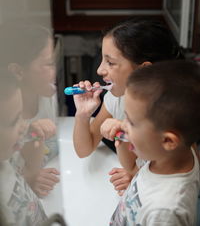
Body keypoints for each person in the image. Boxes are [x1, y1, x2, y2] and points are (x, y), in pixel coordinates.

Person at [73, 17, 182, 193]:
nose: (99, 70)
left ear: (143, 70)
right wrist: (83, 114)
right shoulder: (117, 98)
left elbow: (180, 171)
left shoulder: (173, 114)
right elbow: (84, 149)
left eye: (110, 62)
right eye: (102, 60)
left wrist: (136, 175)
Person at [101, 60, 200, 225]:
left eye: (131, 122)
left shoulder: (165, 212)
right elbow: (132, 168)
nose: (122, 124)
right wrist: (123, 136)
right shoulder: (170, 155)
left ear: (168, 140)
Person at [0, 22, 60, 197]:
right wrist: (28, 177)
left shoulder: (49, 97)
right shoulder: (5, 122)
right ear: (17, 71)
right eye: (48, 64)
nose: (55, 71)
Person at [0, 69, 47, 225]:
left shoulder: (5, 158)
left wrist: (37, 146)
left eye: (21, 115)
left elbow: (26, 178)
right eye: (14, 121)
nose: (23, 126)